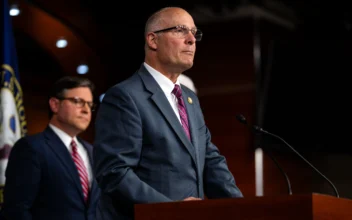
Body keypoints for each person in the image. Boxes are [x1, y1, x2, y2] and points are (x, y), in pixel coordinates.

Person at [93, 7, 243, 220]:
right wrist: (170, 209)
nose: (192, 39)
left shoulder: (189, 98)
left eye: (194, 32)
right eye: (181, 30)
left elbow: (210, 160)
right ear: (153, 40)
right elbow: (114, 172)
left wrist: (244, 208)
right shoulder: (124, 96)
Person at [1, 76, 100, 220]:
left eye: (90, 105)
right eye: (78, 101)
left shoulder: (92, 152)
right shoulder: (31, 148)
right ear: (55, 104)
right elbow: (16, 211)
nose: (86, 110)